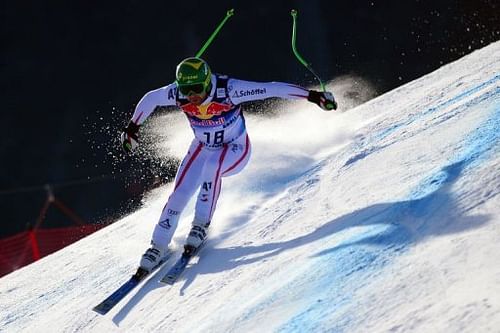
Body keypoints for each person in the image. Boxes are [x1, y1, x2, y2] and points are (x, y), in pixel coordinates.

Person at [120, 57, 337, 271]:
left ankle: (200, 225)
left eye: (197, 88)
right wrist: (132, 128)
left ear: (207, 82)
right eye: (187, 90)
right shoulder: (177, 92)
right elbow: (151, 99)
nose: (192, 95)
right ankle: (158, 245)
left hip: (235, 149)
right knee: (179, 194)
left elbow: (271, 89)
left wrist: (313, 96)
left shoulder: (229, 90)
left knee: (212, 168)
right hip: (203, 147)